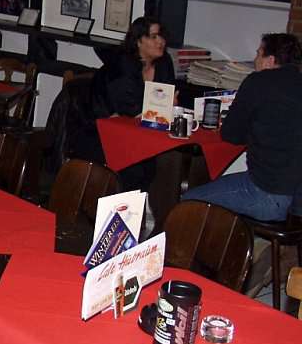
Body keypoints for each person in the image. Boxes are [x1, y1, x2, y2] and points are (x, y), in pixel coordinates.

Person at [182, 33, 302, 221]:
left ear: (270, 60)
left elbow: (231, 134)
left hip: (268, 194)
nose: (255, 60)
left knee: (187, 204)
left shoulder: (258, 82)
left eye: (258, 54)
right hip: (297, 202)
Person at [68, 16, 175, 178]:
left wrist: (165, 105)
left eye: (161, 36)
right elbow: (130, 110)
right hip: (99, 132)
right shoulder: (122, 64)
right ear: (138, 42)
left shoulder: (164, 62)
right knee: (136, 167)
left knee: (159, 160)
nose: (160, 41)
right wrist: (162, 106)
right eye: (153, 37)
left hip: (138, 132)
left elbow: (167, 97)